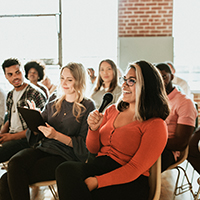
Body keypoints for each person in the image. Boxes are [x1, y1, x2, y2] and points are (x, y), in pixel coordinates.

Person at [55, 60, 170, 200]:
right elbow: (93, 149)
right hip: (99, 166)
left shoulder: (156, 125)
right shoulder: (112, 110)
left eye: (131, 81)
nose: (124, 85)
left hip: (129, 181)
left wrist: (97, 182)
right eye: (124, 79)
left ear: (147, 86)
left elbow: (135, 168)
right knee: (65, 169)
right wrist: (93, 129)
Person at [0, 62, 95, 200]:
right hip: (44, 148)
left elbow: (84, 144)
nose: (64, 83)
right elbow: (39, 128)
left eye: (69, 79)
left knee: (7, 179)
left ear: (79, 81)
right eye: (62, 78)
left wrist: (56, 135)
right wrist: (35, 117)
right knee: (14, 163)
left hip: (65, 155)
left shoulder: (88, 105)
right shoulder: (54, 99)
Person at [0, 58, 46, 163]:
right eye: (10, 74)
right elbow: (10, 119)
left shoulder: (35, 93)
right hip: (11, 135)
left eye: (17, 72)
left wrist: (11, 137)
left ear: (23, 72)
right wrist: (2, 134)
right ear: (6, 76)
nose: (15, 77)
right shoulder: (10, 95)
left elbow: (40, 128)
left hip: (28, 140)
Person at [155, 63, 197, 171]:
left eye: (164, 77)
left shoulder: (184, 103)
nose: (161, 81)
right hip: (152, 145)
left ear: (172, 77)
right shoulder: (155, 101)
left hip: (168, 151)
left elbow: (180, 143)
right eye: (157, 78)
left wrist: (151, 143)